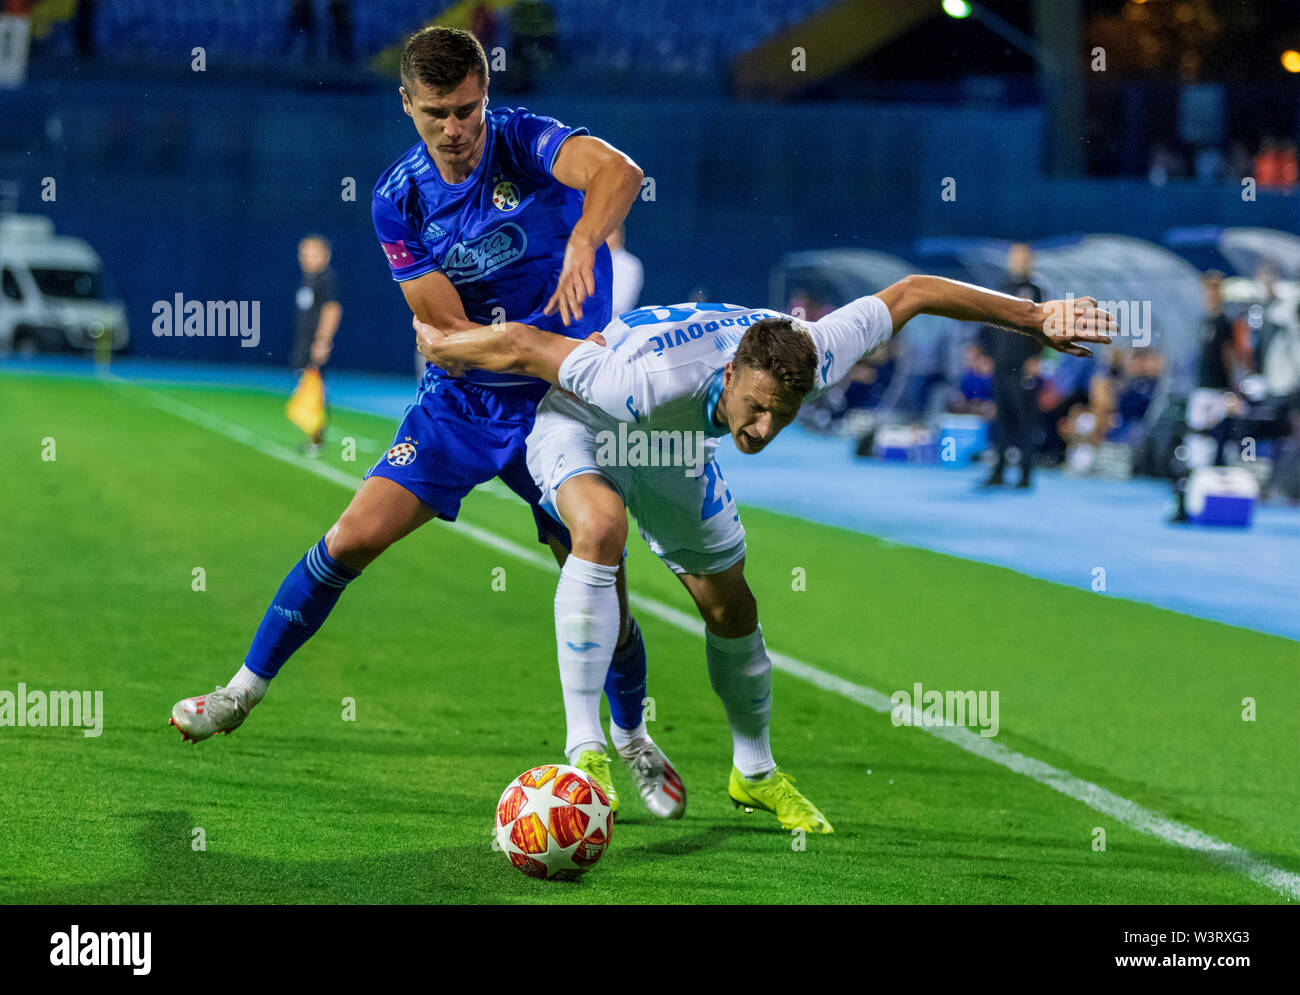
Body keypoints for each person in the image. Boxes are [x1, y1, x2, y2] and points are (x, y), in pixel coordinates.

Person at [169, 27, 681, 820]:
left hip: (557, 401)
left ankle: (634, 734)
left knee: (599, 572)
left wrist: (584, 236)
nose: (457, 128)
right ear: (407, 104)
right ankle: (240, 692)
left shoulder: (522, 139)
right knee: (351, 536)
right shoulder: (397, 199)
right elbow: (444, 339)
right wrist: (514, 341)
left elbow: (619, 171)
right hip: (465, 403)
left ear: (487, 95)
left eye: (469, 108)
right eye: (438, 112)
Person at [412, 276, 1113, 831]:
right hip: (586, 425)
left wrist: (1035, 317)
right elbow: (528, 345)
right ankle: (586, 750)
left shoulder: (813, 348)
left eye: (784, 412)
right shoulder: (642, 377)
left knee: (732, 607)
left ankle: (754, 770)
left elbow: (915, 292)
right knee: (600, 529)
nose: (766, 425)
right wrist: (448, 346)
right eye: (757, 406)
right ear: (731, 371)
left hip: (677, 445)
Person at [979, 243, 1044, 488]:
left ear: (1031, 262)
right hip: (1000, 365)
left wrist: (1035, 359)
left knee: (1024, 420)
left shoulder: (1036, 291)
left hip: (1022, 366)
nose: (1019, 263)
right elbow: (988, 322)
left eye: (1024, 258)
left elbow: (1043, 328)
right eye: (1015, 258)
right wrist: (985, 353)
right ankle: (998, 471)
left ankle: (1026, 475)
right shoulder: (1001, 288)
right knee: (1001, 419)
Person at [290, 235, 342, 455]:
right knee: (306, 384)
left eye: (312, 253)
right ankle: (313, 436)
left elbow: (332, 309)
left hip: (315, 343)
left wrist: (322, 341)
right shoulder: (308, 279)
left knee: (315, 388)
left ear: (325, 255)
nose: (306, 258)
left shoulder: (325, 279)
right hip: (304, 341)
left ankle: (317, 439)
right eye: (304, 253)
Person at [606, 223, 643, 316]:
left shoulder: (630, 265)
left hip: (615, 324)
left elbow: (620, 305)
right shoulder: (589, 261)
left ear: (619, 234)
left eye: (609, 232)